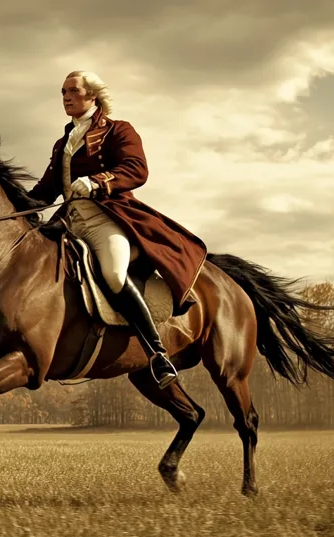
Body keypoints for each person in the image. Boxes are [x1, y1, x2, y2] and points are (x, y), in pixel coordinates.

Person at [29, 70, 208, 389]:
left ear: (92, 96)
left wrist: (98, 182)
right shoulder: (63, 143)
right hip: (69, 221)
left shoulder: (118, 130)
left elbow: (137, 169)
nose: (66, 96)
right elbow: (45, 190)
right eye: (62, 92)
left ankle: (157, 354)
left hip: (106, 219)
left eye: (73, 90)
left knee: (113, 274)